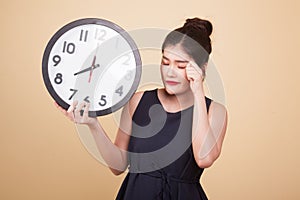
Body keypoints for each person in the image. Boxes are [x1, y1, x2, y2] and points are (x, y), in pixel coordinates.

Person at [55, 17, 228, 200]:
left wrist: (198, 91)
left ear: (201, 68)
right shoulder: (138, 101)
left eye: (181, 65)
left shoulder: (215, 111)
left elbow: (204, 159)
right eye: (165, 62)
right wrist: (93, 124)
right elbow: (118, 166)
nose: (170, 72)